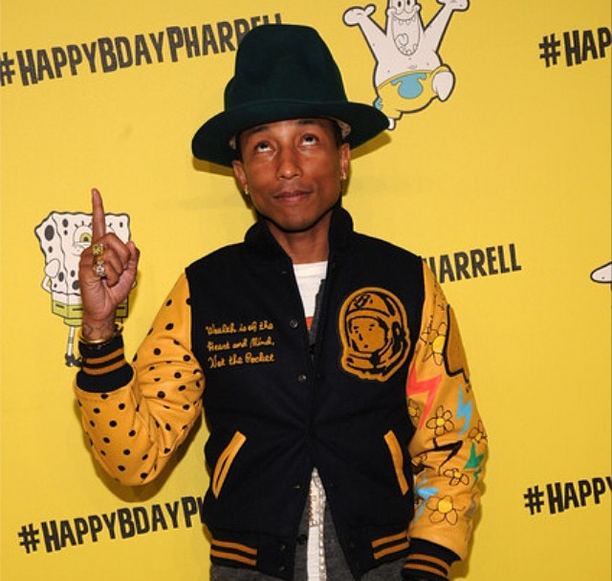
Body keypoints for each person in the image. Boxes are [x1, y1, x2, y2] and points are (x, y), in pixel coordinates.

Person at [75, 24, 486, 581]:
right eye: (264, 146)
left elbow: (452, 439)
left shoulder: (405, 280)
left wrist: (429, 563)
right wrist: (100, 331)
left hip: (389, 568)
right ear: (242, 175)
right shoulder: (204, 291)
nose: (287, 166)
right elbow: (134, 458)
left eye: (308, 140)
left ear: (344, 157)